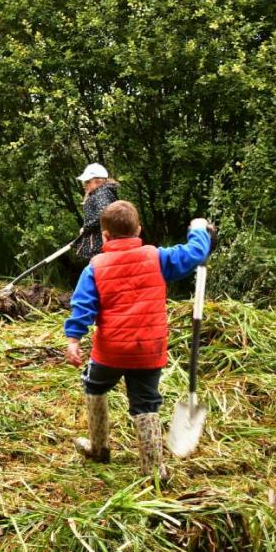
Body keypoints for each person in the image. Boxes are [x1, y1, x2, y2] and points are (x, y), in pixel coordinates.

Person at [64, 200, 212, 481]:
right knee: (146, 403)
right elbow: (196, 253)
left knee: (94, 386)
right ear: (139, 229)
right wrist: (199, 229)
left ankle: (99, 448)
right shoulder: (157, 258)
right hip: (148, 350)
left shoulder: (96, 267)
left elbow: (83, 307)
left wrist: (73, 340)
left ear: (105, 236)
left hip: (110, 352)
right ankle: (153, 469)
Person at [74, 163, 119, 260]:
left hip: (102, 246)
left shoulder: (102, 194)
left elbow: (103, 215)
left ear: (98, 181)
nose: (85, 185)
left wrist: (86, 228)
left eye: (87, 182)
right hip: (102, 245)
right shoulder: (100, 193)